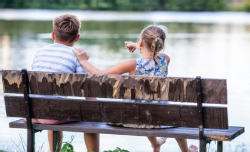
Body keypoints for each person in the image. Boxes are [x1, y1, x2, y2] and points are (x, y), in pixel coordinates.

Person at [73, 25, 198, 152]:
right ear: (160, 43)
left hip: (131, 119)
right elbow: (152, 53)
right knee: (162, 110)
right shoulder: (165, 60)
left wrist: (83, 61)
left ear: (142, 42)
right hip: (162, 119)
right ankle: (184, 150)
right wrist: (138, 45)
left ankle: (155, 145)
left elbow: (100, 75)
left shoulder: (132, 65)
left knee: (143, 107)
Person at [31, 14, 99, 152]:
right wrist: (95, 108)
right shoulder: (76, 56)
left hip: (32, 112)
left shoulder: (39, 52)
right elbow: (87, 90)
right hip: (53, 115)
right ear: (77, 38)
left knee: (53, 104)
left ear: (52, 35)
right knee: (92, 116)